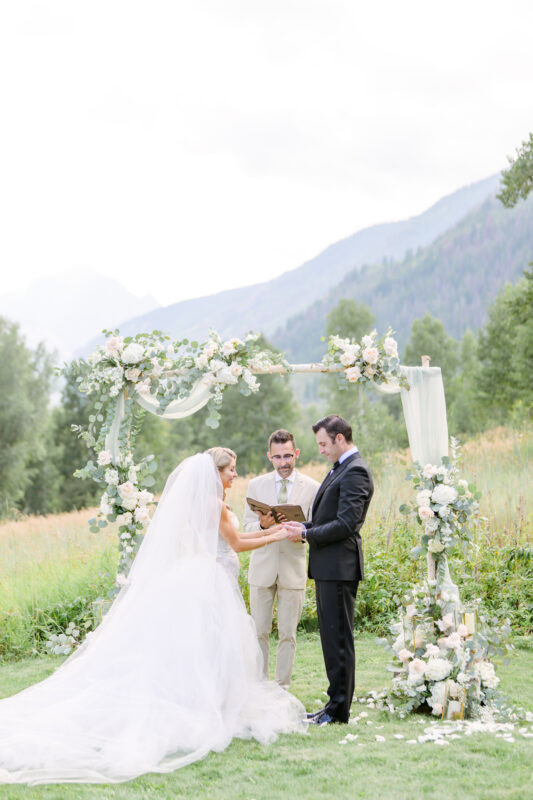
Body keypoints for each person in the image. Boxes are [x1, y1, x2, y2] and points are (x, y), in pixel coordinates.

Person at [0, 451, 306, 786]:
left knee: (201, 650)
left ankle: (206, 704)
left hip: (200, 581)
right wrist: (276, 535)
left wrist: (272, 531)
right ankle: (210, 709)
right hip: (210, 586)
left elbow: (231, 542)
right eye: (231, 470)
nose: (235, 475)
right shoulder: (214, 505)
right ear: (214, 472)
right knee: (212, 648)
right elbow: (236, 543)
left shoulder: (198, 503)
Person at [285, 415, 374, 725]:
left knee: (338, 641)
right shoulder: (341, 469)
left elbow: (348, 524)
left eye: (323, 443)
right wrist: (304, 525)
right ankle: (332, 704)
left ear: (339, 439)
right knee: (330, 639)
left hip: (340, 568)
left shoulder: (356, 471)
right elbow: (329, 520)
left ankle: (338, 711)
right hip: (328, 567)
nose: (320, 450)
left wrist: (307, 535)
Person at [243, 430, 319, 689]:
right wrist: (263, 526)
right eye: (278, 457)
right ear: (269, 457)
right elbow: (246, 527)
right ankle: (260, 688)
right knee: (259, 632)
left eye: (288, 455)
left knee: (288, 634)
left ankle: (282, 688)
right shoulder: (256, 485)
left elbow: (317, 527)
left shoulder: (313, 487)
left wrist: (304, 536)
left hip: (292, 568)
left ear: (296, 453)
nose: (283, 462)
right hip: (262, 567)